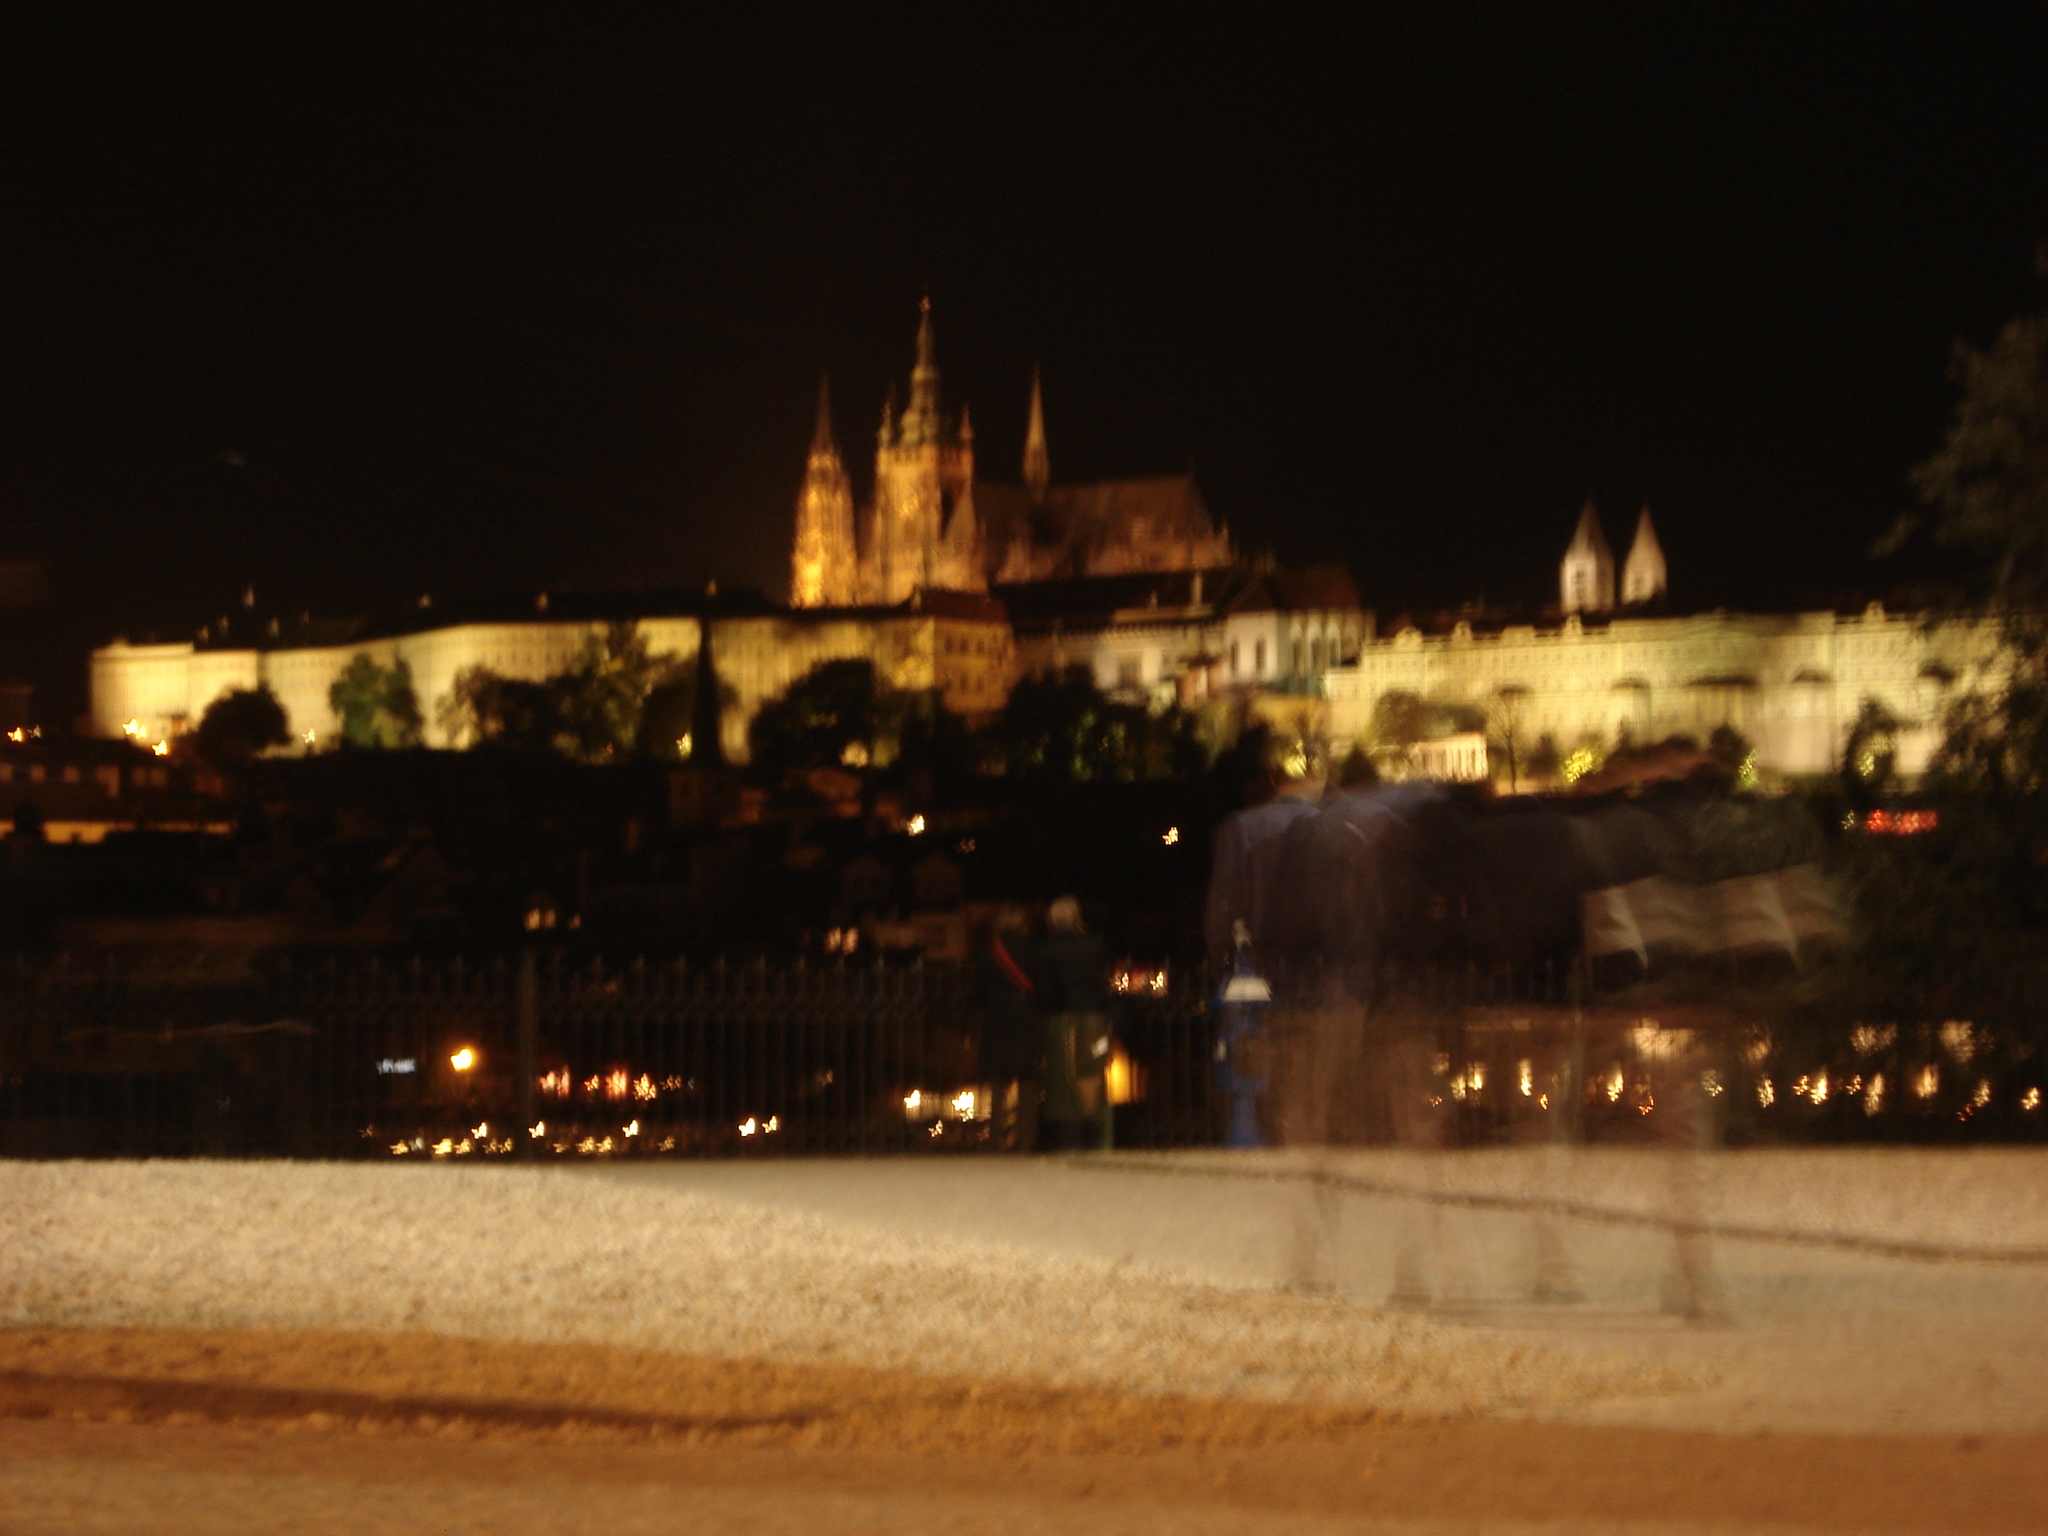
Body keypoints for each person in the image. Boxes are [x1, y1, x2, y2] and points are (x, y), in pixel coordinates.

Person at [1040, 894, 1114, 1151]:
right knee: (1094, 1070)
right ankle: (1096, 1131)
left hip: (1063, 1020)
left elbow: (1047, 990)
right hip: (1095, 1018)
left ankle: (1069, 1135)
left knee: (1064, 1077)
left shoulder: (1049, 949)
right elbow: (1103, 983)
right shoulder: (1095, 944)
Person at [972, 906, 1046, 1151]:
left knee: (998, 1085)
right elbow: (1042, 988)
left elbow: (978, 994)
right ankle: (1026, 1140)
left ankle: (995, 1140)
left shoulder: (989, 953)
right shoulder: (1034, 951)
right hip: (1025, 1018)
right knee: (1027, 1083)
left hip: (997, 1021)